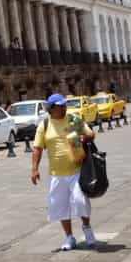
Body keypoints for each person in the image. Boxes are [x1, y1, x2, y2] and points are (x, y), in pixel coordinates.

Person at [30, 93, 98, 251]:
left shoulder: (73, 119)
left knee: (81, 202)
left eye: (64, 105)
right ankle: (69, 237)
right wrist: (34, 168)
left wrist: (84, 138)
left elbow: (90, 135)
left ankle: (87, 229)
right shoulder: (45, 125)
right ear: (51, 108)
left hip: (77, 170)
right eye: (60, 105)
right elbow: (37, 148)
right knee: (60, 207)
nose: (64, 107)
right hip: (57, 174)